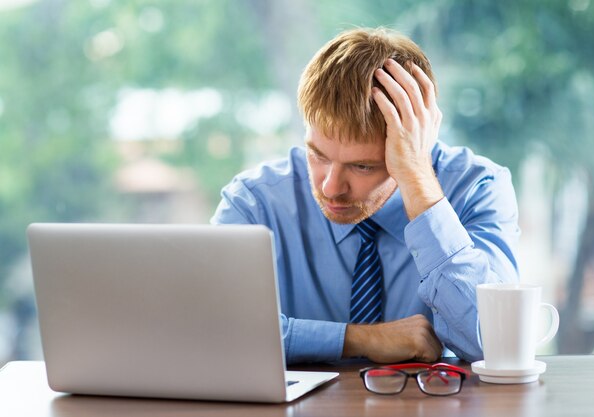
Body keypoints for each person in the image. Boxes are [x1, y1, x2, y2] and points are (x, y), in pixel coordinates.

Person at [211, 27, 519, 364]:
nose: (331, 187)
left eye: (362, 166)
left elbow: (493, 343)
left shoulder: (478, 188)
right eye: (318, 155)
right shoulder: (255, 203)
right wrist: (358, 339)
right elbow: (209, 331)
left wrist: (417, 177)